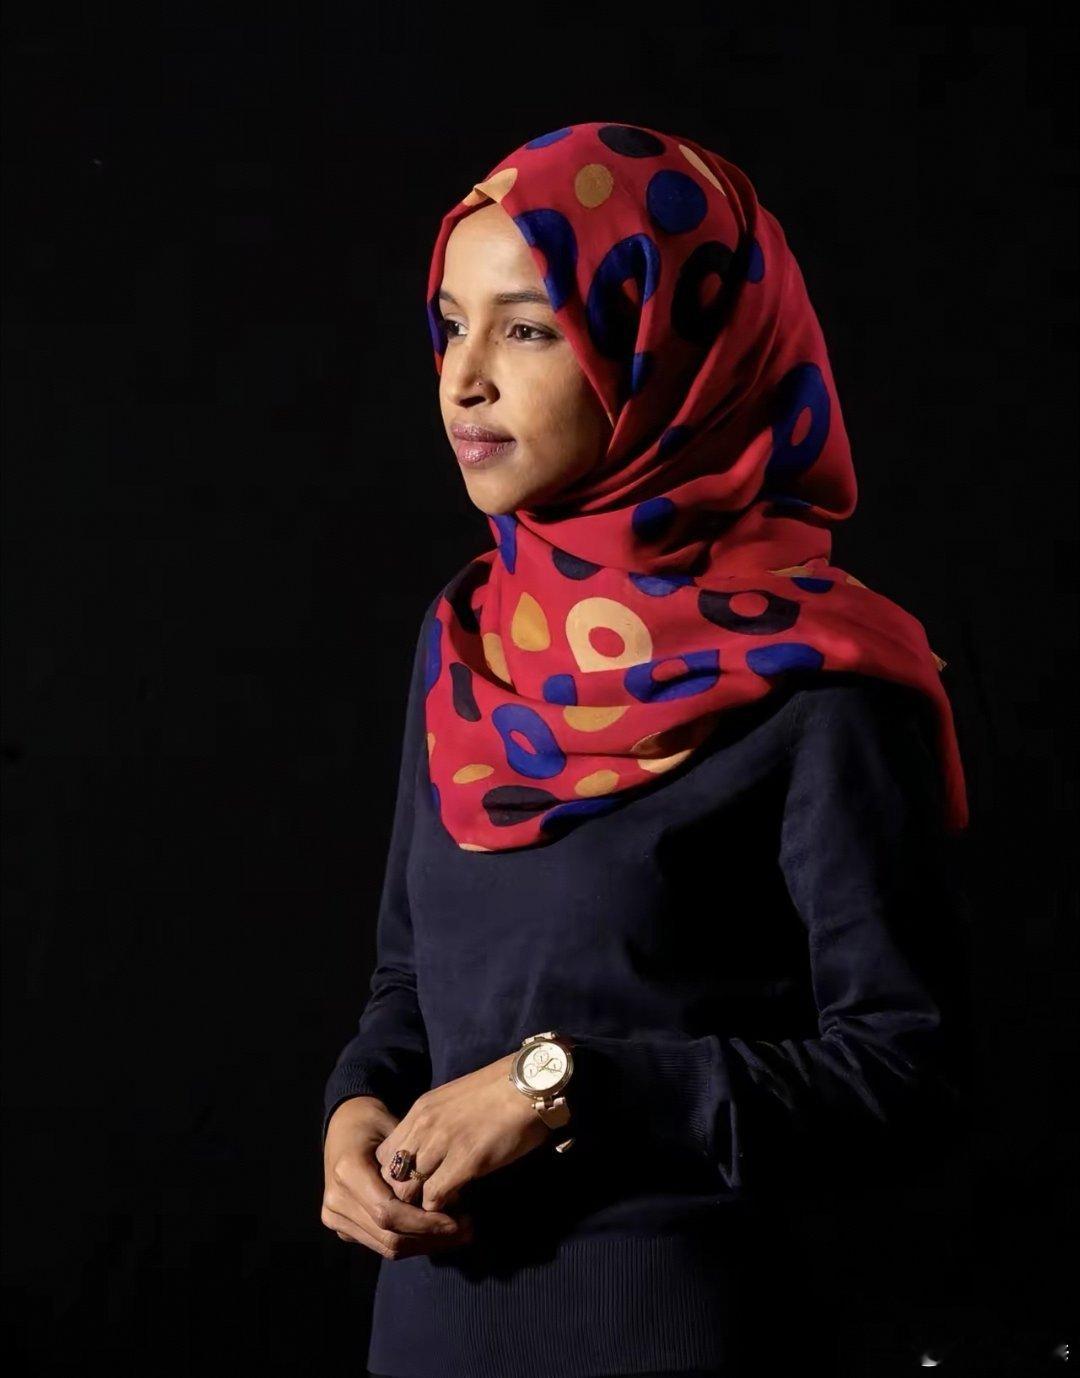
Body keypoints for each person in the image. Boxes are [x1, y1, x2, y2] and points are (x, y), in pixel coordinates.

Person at [319, 121, 972, 1378]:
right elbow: (411, 978)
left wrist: (567, 1085)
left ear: (675, 356)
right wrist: (355, 1106)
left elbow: (907, 1075)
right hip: (429, 1335)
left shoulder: (819, 676)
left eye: (528, 329)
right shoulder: (470, 639)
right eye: (451, 325)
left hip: (683, 1328)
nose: (464, 380)